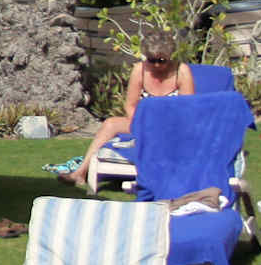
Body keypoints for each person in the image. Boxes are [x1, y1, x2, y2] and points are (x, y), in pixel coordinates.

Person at [75, 33, 193, 191]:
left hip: (173, 126)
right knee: (110, 124)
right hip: (143, 122)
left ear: (170, 57)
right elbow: (130, 105)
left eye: (161, 60)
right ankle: (81, 171)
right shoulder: (140, 70)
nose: (156, 65)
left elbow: (188, 109)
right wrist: (141, 124)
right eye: (151, 60)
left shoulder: (181, 71)